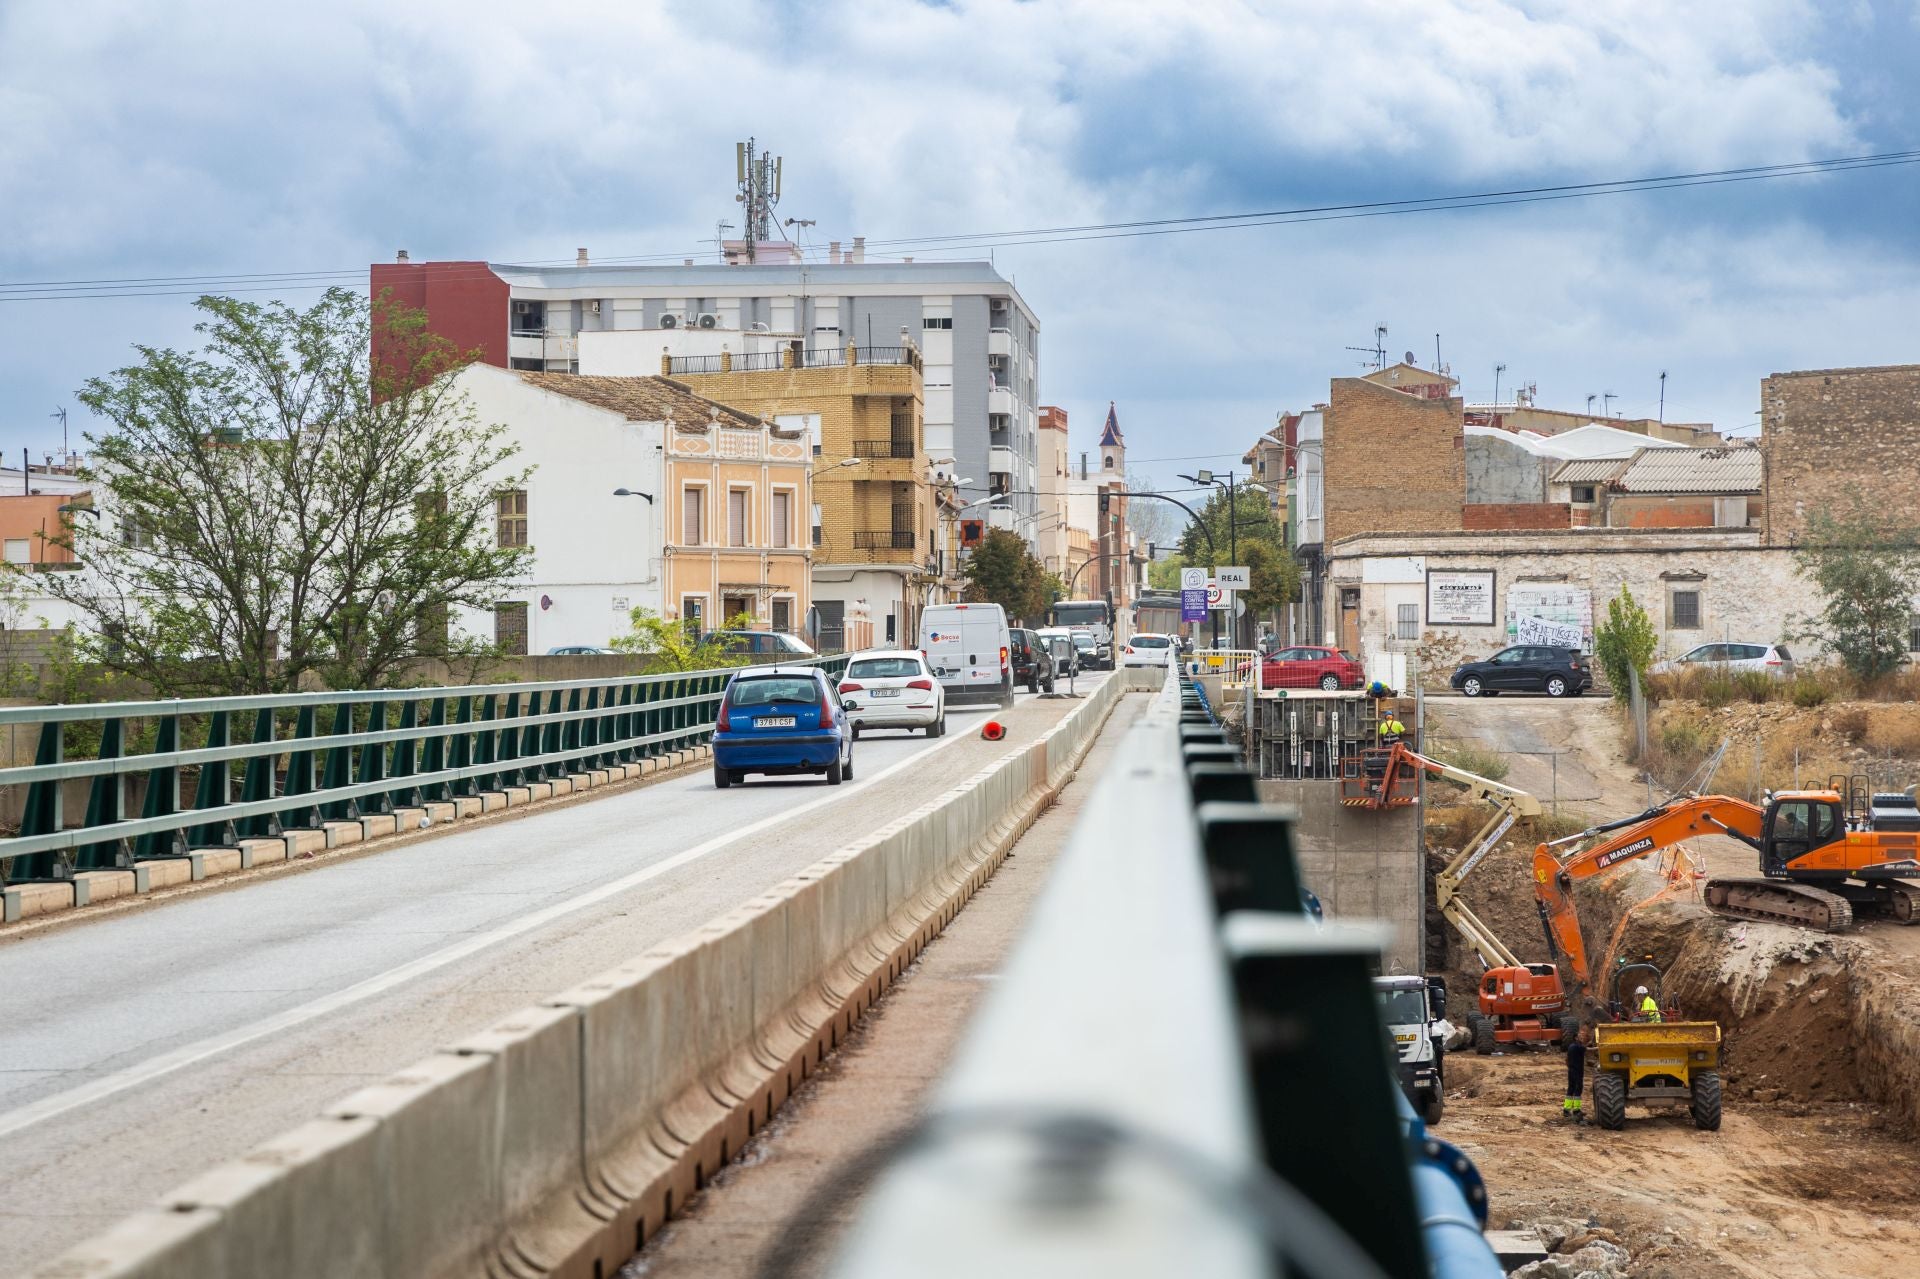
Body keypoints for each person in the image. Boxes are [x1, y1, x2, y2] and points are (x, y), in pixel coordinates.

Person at [1562, 1020, 1590, 1122]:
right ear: (1575, 1038)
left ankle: (1566, 1110)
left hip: (1571, 1071)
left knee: (1571, 1089)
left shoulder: (1571, 1046)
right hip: (1577, 1072)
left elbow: (1566, 1060)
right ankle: (1576, 1110)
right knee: (1578, 1090)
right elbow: (1588, 1050)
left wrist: (1570, 1067)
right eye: (1579, 1036)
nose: (1581, 1037)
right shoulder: (1578, 1047)